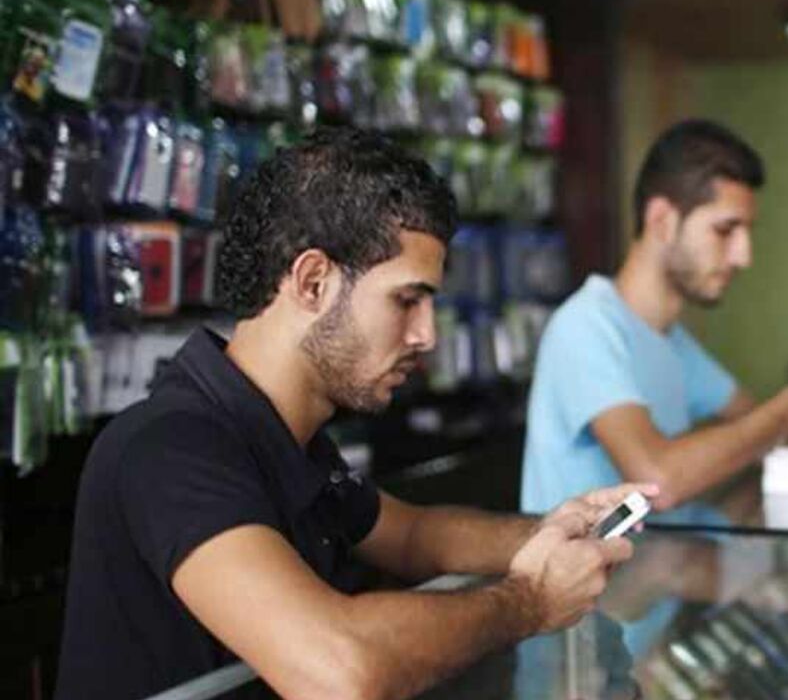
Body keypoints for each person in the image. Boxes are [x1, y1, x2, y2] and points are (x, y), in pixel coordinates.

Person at [56, 128, 651, 700]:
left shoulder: (295, 442)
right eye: (406, 300)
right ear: (312, 281)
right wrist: (531, 600)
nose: (425, 336)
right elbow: (338, 672)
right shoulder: (170, 449)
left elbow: (417, 537)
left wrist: (550, 531)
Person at [521, 119, 788, 519]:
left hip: (666, 571)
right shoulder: (585, 328)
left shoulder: (672, 342)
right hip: (594, 579)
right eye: (726, 230)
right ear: (661, 220)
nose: (744, 256)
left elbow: (756, 425)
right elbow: (658, 481)